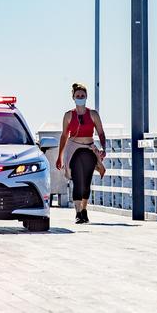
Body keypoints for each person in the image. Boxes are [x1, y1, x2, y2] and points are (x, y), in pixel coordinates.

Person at [56, 83, 106, 224]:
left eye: (82, 96)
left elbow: (101, 133)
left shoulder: (93, 114)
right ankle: (78, 212)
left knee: (86, 182)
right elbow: (64, 136)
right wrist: (60, 156)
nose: (80, 98)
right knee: (77, 180)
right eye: (77, 96)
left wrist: (104, 148)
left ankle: (84, 209)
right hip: (74, 150)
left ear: (86, 97)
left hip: (89, 149)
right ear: (73, 97)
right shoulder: (68, 115)